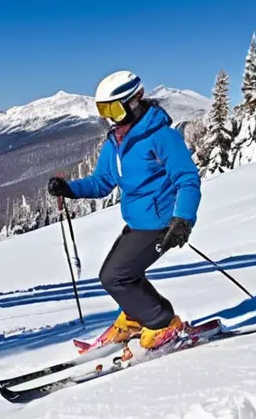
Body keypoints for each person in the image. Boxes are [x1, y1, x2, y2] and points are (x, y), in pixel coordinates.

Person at [47, 70, 203, 351]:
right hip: (136, 222)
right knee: (120, 274)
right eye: (103, 110)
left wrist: (183, 220)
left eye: (113, 109)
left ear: (136, 100)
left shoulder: (162, 137)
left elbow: (187, 179)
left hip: (161, 223)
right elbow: (103, 181)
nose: (109, 117)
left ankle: (162, 323)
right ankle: (135, 316)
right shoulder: (116, 141)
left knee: (115, 276)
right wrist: (69, 189)